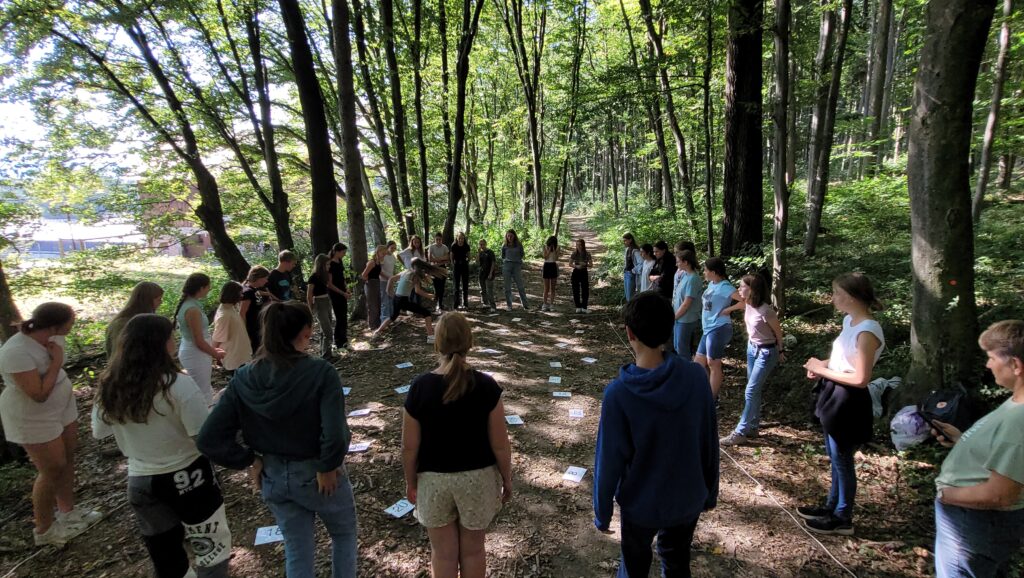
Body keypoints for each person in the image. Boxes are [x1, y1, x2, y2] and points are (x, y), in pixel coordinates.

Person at [197, 302, 357, 578]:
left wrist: (251, 459)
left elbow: (210, 437)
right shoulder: (321, 372)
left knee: (297, 547)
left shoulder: (244, 376)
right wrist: (327, 465)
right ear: (306, 332)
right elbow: (335, 431)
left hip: (272, 475)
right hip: (315, 471)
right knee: (343, 534)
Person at [93, 314, 231, 577]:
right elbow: (202, 435)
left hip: (141, 481)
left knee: (165, 555)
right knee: (211, 549)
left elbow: (99, 431)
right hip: (188, 476)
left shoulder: (110, 384)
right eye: (171, 335)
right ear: (160, 342)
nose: (175, 340)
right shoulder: (177, 384)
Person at [593, 292, 718, 578]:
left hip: (641, 504)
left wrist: (602, 512)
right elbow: (709, 440)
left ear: (629, 333)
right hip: (687, 498)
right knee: (676, 562)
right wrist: (709, 492)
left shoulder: (619, 394)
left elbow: (608, 459)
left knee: (634, 566)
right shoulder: (697, 377)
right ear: (670, 329)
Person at [402, 312, 513, 578]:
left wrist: (410, 481)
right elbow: (500, 443)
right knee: (474, 551)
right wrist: (506, 479)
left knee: (442, 553)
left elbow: (409, 447)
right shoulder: (487, 386)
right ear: (469, 342)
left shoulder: (419, 388)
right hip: (478, 479)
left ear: (437, 344)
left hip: (433, 481)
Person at [0, 302, 102, 546]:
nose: (73, 325)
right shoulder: (16, 351)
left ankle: (67, 511)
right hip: (32, 415)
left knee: (67, 456)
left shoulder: (55, 338)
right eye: (70, 322)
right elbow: (37, 394)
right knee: (51, 468)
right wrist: (56, 362)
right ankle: (44, 529)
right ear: (55, 324)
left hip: (62, 406)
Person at [931, 320, 1024, 577]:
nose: (988, 364)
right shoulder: (1015, 403)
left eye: (992, 358)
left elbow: (1001, 494)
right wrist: (963, 441)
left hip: (974, 524)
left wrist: (947, 496)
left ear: (1015, 365)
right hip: (976, 522)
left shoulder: (1020, 418)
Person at [799, 272, 885, 536]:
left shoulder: (868, 330)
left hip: (848, 400)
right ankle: (831, 506)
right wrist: (821, 365)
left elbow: (860, 377)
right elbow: (843, 360)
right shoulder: (850, 322)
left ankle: (842, 516)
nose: (833, 298)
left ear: (850, 297)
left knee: (842, 459)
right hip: (833, 393)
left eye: (836, 293)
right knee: (834, 456)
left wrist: (822, 371)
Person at [719, 274, 785, 446]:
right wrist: (728, 310)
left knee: (750, 390)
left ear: (752, 289)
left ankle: (740, 432)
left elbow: (778, 332)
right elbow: (739, 306)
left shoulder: (766, 310)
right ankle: (753, 426)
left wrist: (781, 350)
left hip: (766, 352)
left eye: (742, 287)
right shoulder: (748, 304)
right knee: (753, 389)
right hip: (752, 349)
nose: (739, 289)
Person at [174, 273, 225, 405]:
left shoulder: (191, 304)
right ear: (201, 288)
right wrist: (215, 353)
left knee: (203, 387)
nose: (209, 289)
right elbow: (198, 341)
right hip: (196, 354)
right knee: (201, 391)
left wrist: (211, 350)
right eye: (208, 286)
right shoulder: (192, 310)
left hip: (197, 351)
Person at [694, 257, 740, 398]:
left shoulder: (725, 286)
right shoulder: (712, 284)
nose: (704, 272)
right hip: (708, 329)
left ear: (713, 272)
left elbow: (745, 301)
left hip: (719, 328)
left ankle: (711, 399)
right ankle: (704, 391)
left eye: (706, 270)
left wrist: (728, 310)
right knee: (698, 363)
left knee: (713, 363)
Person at [374, 258, 445, 344]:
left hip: (397, 298)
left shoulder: (406, 271)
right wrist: (430, 296)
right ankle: (430, 337)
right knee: (427, 313)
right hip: (403, 300)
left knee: (393, 316)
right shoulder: (415, 276)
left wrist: (389, 292)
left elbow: (391, 279)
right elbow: (417, 291)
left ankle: (377, 332)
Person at [105, 281, 164, 357]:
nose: (161, 302)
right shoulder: (127, 324)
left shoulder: (120, 321)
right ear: (147, 301)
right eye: (159, 299)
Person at [212, 281, 253, 372]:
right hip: (233, 357)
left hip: (240, 354)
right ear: (233, 295)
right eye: (240, 293)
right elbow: (217, 338)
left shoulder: (229, 308)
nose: (242, 296)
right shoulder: (225, 315)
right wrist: (213, 355)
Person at [671, 250, 702, 361]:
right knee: (676, 346)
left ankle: (687, 373)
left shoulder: (693, 279)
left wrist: (673, 317)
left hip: (686, 319)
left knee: (682, 348)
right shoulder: (685, 276)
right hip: (679, 318)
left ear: (686, 262)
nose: (676, 264)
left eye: (678, 262)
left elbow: (686, 304)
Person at [307, 253, 335, 359]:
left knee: (326, 329)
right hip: (319, 303)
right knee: (327, 330)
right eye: (327, 265)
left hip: (327, 301)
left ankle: (326, 353)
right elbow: (309, 295)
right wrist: (311, 308)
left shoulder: (325, 276)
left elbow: (329, 286)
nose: (329, 267)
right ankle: (325, 355)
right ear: (321, 265)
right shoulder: (313, 277)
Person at [240, 266, 272, 354]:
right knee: (257, 352)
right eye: (265, 278)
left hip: (259, 326)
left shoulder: (254, 289)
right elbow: (242, 313)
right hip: (252, 329)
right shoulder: (247, 292)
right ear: (258, 278)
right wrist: (245, 333)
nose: (266, 281)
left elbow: (257, 295)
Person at [327, 243, 353, 351]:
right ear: (336, 251)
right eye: (343, 252)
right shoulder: (330, 264)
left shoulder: (340, 261)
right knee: (339, 317)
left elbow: (342, 278)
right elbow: (329, 283)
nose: (344, 254)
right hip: (335, 293)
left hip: (342, 292)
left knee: (344, 317)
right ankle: (338, 342)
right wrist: (342, 293)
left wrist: (346, 289)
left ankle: (344, 340)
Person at [501, 230, 529, 311]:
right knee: (507, 287)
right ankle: (509, 305)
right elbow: (502, 255)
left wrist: (517, 261)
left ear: (514, 236)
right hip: (507, 266)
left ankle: (525, 305)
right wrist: (507, 261)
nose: (509, 237)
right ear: (506, 237)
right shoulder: (504, 245)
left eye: (511, 236)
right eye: (508, 236)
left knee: (520, 286)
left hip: (516, 265)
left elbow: (522, 254)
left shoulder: (519, 245)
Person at [361, 245, 386, 331]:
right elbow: (363, 275)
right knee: (373, 306)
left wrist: (391, 278)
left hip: (377, 284)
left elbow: (379, 273)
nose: (384, 255)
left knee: (378, 304)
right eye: (383, 253)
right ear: (378, 252)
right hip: (370, 285)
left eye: (385, 254)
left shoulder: (379, 263)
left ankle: (378, 324)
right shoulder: (372, 262)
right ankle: (372, 326)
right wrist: (369, 281)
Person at [428, 233, 451, 312]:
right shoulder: (431, 247)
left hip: (442, 268)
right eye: (437, 239)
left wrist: (438, 261)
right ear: (435, 239)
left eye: (440, 239)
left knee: (441, 287)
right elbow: (430, 259)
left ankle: (440, 304)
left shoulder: (445, 247)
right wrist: (441, 259)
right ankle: (436, 304)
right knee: (436, 287)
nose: (438, 241)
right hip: (434, 269)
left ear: (442, 239)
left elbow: (448, 259)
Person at [569, 238, 593, 314]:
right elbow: (570, 264)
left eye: (580, 245)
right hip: (576, 272)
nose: (578, 246)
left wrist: (585, 264)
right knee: (575, 290)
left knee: (585, 290)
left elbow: (591, 264)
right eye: (577, 245)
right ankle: (578, 307)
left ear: (583, 245)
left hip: (584, 272)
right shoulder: (574, 253)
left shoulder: (587, 254)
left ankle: (584, 307)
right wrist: (576, 266)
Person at [650, 241, 677, 305]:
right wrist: (654, 277)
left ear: (663, 250)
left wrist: (655, 277)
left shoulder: (671, 260)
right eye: (654, 251)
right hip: (657, 290)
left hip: (666, 293)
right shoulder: (658, 259)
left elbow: (664, 277)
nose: (654, 254)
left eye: (656, 251)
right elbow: (651, 273)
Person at [451, 233, 471, 310]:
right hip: (456, 267)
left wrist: (467, 260)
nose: (461, 240)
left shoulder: (466, 246)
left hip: (464, 266)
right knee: (456, 286)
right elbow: (451, 256)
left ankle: (465, 303)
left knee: (465, 286)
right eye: (459, 238)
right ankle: (456, 304)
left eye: (462, 238)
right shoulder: (454, 246)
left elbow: (469, 256)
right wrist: (453, 264)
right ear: (457, 238)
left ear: (464, 238)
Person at [477, 239, 497, 313]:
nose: (481, 246)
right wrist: (478, 253)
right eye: (480, 244)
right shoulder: (481, 252)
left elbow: (493, 263)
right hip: (481, 273)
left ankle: (493, 306)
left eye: (482, 244)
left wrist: (491, 273)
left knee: (489, 291)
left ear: (486, 244)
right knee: (482, 290)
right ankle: (485, 303)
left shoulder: (490, 252)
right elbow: (478, 262)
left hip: (489, 273)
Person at [541, 236, 560, 312]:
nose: (551, 244)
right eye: (550, 243)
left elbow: (556, 258)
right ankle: (544, 304)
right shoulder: (545, 247)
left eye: (553, 243)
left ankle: (551, 304)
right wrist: (548, 250)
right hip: (546, 266)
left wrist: (554, 250)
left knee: (553, 288)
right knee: (546, 288)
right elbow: (545, 257)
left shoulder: (558, 247)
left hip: (553, 265)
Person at [381, 241, 398, 321]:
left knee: (391, 298)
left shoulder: (393, 257)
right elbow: (379, 271)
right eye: (392, 248)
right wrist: (388, 278)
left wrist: (393, 278)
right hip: (383, 281)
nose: (393, 249)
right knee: (385, 300)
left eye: (395, 248)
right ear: (387, 247)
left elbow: (392, 270)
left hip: (390, 280)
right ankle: (384, 319)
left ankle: (391, 319)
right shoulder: (383, 256)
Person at [622, 233, 641, 303]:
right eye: (623, 241)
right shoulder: (627, 249)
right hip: (626, 273)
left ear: (630, 240)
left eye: (625, 240)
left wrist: (633, 270)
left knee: (631, 295)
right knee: (627, 295)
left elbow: (640, 263)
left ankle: (632, 311)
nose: (624, 242)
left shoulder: (635, 250)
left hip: (631, 274)